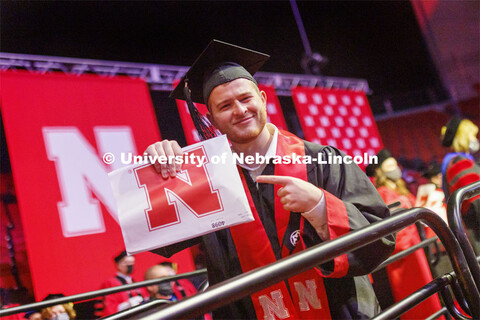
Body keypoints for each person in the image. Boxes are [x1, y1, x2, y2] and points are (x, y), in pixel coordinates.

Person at [146, 40, 395, 319]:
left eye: (246, 98)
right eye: (225, 105)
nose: (240, 110)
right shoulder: (207, 180)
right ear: (213, 119)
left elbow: (381, 239)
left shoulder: (322, 160)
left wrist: (320, 206)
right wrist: (158, 172)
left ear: (262, 100)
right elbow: (157, 239)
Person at [367, 149, 442, 319]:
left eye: (395, 165)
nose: (396, 169)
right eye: (390, 166)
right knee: (420, 301)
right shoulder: (384, 193)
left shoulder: (400, 188)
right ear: (379, 171)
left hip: (418, 248)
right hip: (407, 255)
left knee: (430, 296)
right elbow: (396, 232)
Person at [440, 116, 480, 253]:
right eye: (473, 136)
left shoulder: (456, 161)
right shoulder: (460, 163)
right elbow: (476, 202)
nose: (475, 140)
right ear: (463, 138)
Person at [95, 251, 147, 317]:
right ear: (118, 264)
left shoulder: (134, 281)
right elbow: (109, 307)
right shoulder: (110, 283)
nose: (130, 265)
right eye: (127, 263)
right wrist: (127, 305)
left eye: (132, 263)